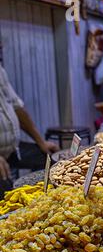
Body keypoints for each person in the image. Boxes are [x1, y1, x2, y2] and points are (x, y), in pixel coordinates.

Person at [0, 63, 59, 198]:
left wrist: (41, 142)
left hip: (13, 149)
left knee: (52, 158)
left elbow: (17, 107)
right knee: (7, 197)